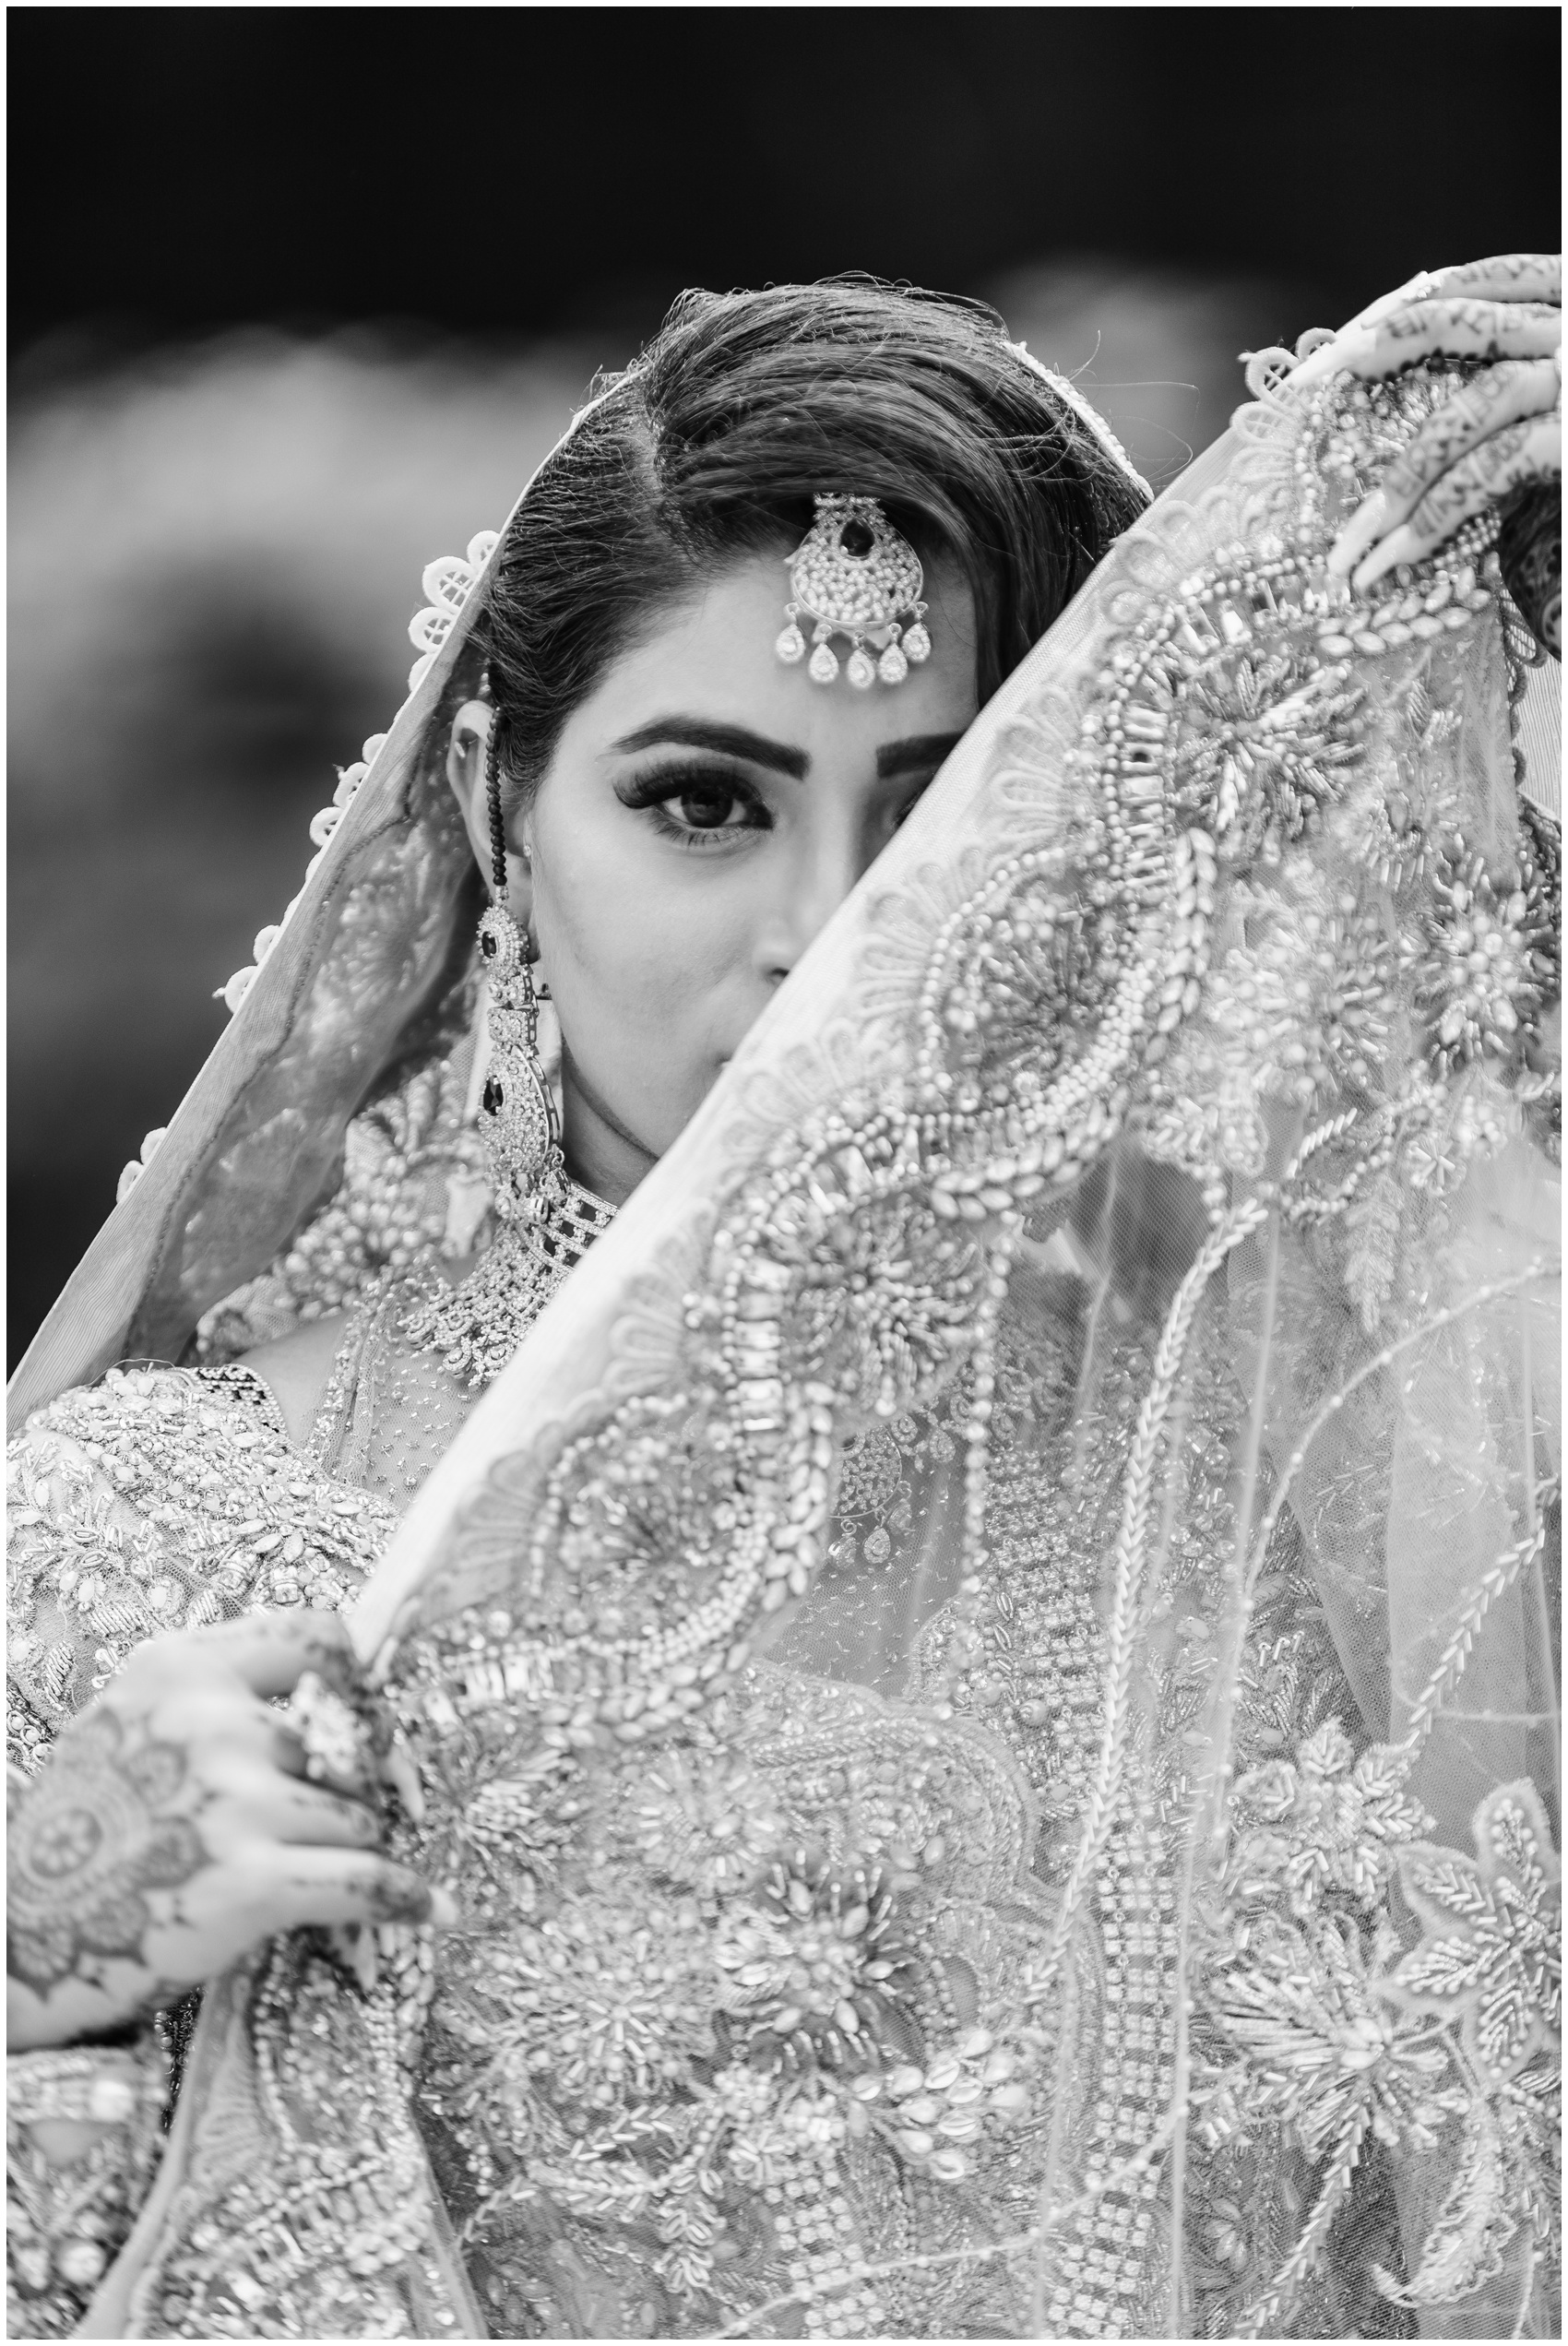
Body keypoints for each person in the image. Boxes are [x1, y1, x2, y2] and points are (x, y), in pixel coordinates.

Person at [6, 264, 1561, 2340]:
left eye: (942, 823)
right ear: (495, 811)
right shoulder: (161, 1554)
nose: (828, 943)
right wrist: (35, 1944)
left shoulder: (1322, 1505)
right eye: (704, 805)